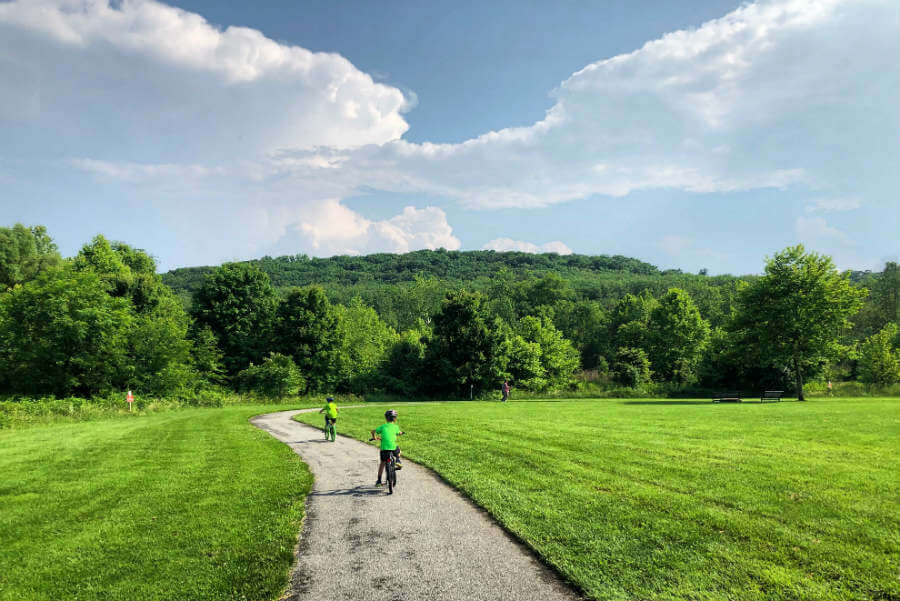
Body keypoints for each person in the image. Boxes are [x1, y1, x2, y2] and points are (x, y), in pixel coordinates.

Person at [371, 409, 403, 486]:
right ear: (395, 418)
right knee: (399, 450)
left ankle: (379, 480)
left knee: (382, 463)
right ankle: (398, 460)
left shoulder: (383, 426)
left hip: (384, 449)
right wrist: (401, 433)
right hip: (393, 447)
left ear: (386, 418)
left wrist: (374, 437)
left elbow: (373, 431)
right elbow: (399, 433)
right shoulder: (395, 427)